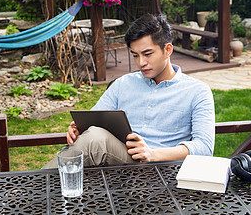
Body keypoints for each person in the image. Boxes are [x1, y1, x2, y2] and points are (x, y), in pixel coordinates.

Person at [43, 14, 214, 169]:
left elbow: (205, 148)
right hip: (121, 165)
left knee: (95, 139)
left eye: (147, 54)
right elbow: (92, 118)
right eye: (135, 55)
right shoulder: (123, 84)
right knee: (91, 136)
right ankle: (31, 192)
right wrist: (77, 129)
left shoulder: (197, 91)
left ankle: (31, 190)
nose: (141, 63)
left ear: (167, 49)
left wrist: (152, 154)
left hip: (165, 170)